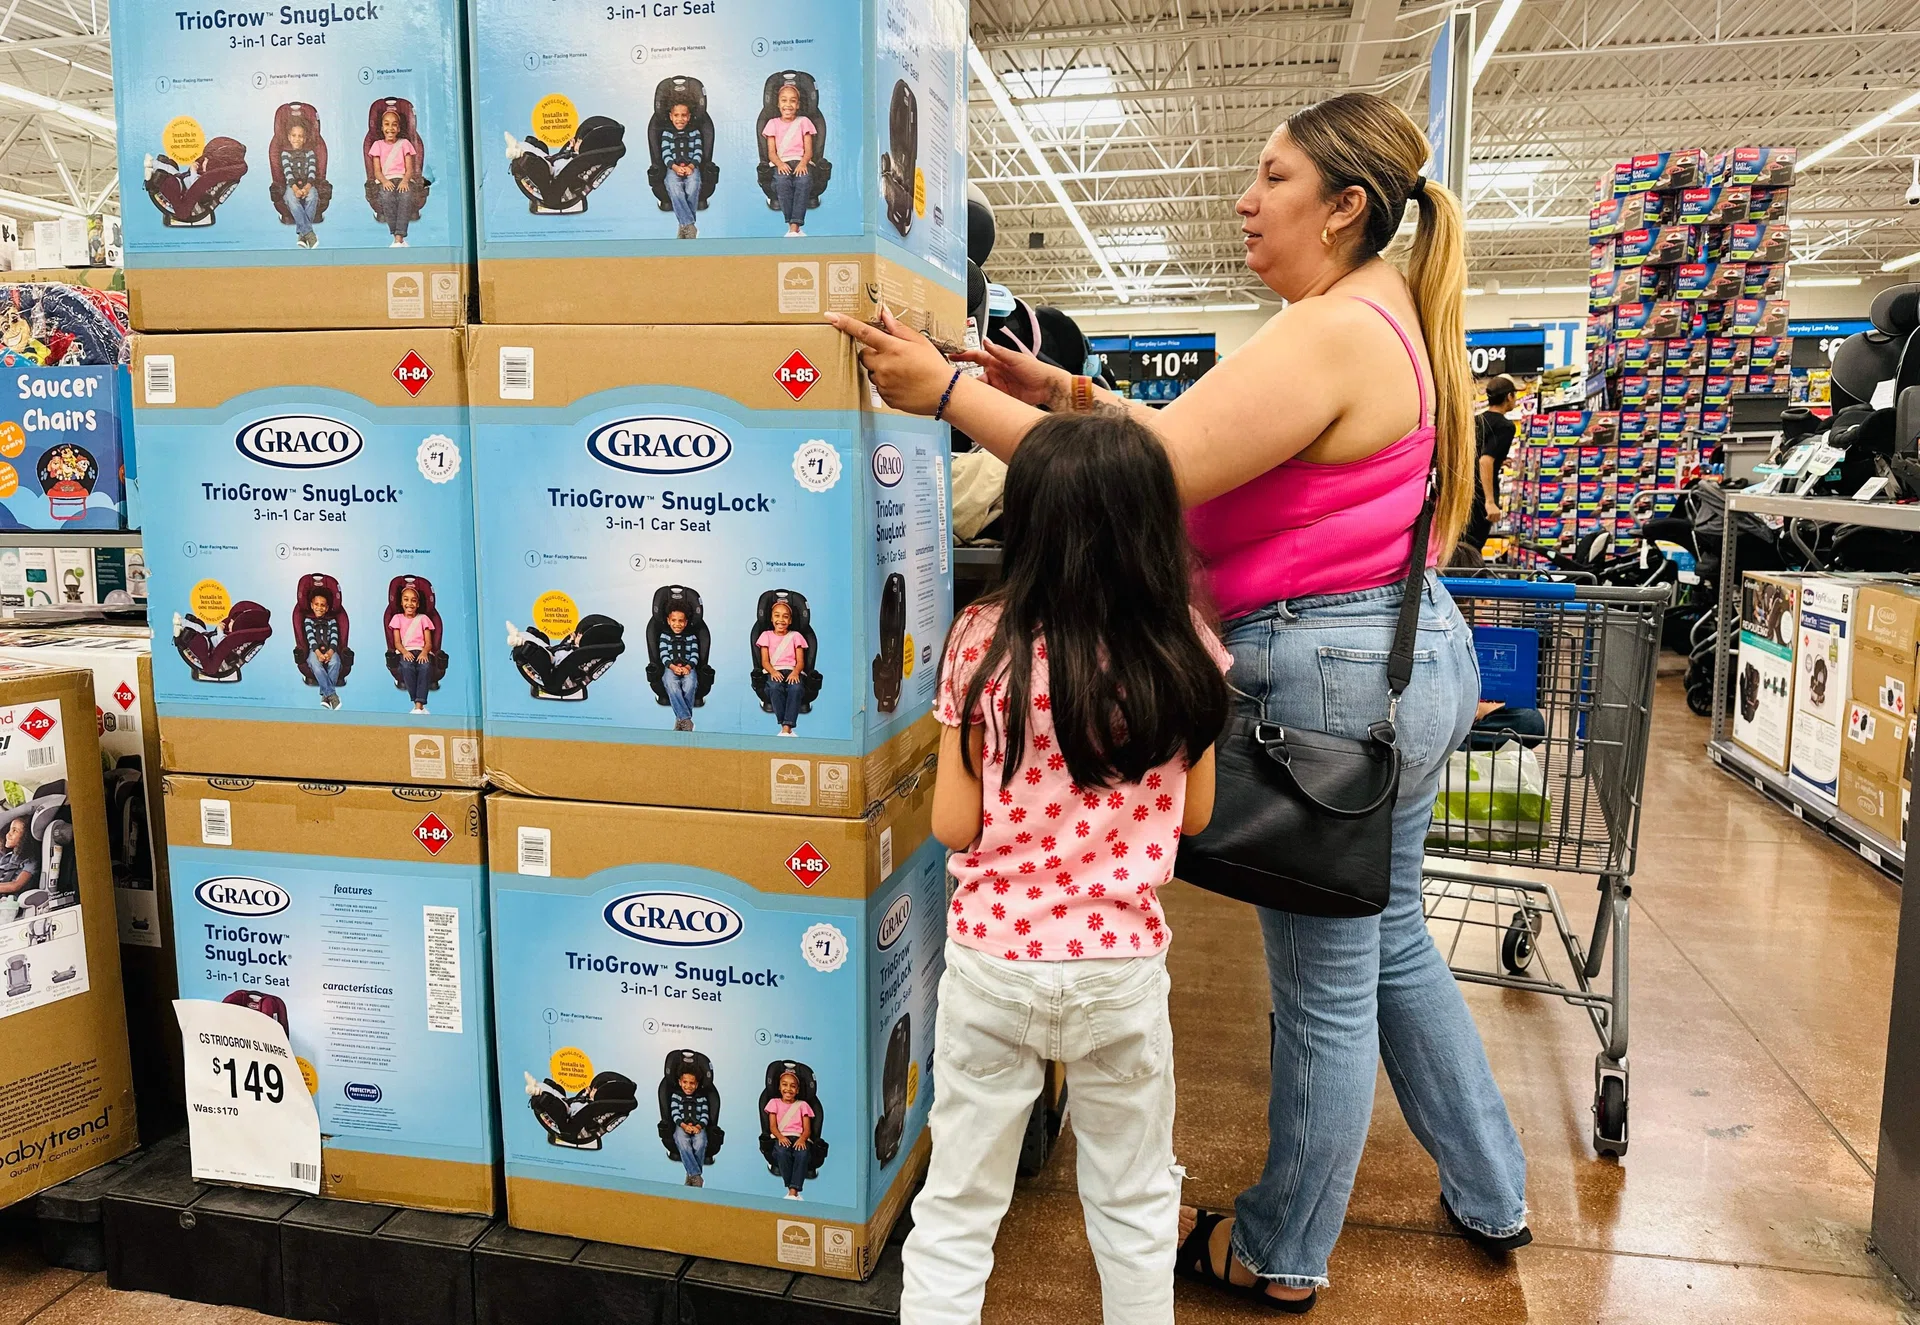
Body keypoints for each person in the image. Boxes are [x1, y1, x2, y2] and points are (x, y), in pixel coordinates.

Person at [832, 90, 1529, 1312]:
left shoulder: (1333, 329)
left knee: (1325, 982)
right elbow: (1199, 434)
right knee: (1390, 938)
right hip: (1401, 656)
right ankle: (1492, 1185)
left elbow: (1146, 478)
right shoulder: (1375, 313)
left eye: (1273, 178)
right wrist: (1066, 393)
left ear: (1344, 206)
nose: (1247, 201)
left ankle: (1282, 1249)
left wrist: (945, 395)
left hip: (1330, 673)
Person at [899, 412, 1230, 1325]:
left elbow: (953, 823)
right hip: (1119, 968)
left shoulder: (981, 639)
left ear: (1030, 521)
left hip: (993, 961)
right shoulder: (1185, 644)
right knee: (1134, 1201)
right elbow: (1197, 815)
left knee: (958, 1206)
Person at [1466, 375, 1519, 550]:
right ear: (1509, 396)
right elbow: (1485, 460)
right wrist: (1489, 501)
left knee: (1461, 545)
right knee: (1473, 547)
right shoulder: (1505, 426)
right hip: (1481, 495)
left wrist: (1499, 461)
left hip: (1465, 491)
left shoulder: (1477, 420)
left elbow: (1475, 455)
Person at [763, 84, 816, 237]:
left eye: (793, 101)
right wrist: (780, 164)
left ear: (798, 105)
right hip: (781, 162)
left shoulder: (804, 121)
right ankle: (792, 225)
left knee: (803, 181)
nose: (788, 105)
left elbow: (809, 151)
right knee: (782, 182)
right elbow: (771, 153)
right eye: (784, 100)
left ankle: (794, 227)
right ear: (778, 104)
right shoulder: (772, 123)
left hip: (800, 160)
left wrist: (803, 163)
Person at [367, 107, 418, 248]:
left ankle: (398, 238)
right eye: (387, 124)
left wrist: (405, 181)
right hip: (385, 179)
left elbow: (409, 169)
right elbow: (377, 171)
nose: (390, 128)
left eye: (394, 124)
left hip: (403, 178)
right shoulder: (377, 145)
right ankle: (397, 236)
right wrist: (384, 181)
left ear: (399, 128)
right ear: (382, 127)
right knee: (387, 196)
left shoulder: (405, 143)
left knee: (405, 196)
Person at [757, 601, 807, 735]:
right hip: (773, 670)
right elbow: (765, 661)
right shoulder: (765, 635)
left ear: (790, 620)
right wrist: (773, 671)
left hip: (792, 670)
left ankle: (786, 727)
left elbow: (800, 661)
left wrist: (795, 672)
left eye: (785, 617)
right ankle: (784, 724)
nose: (781, 620)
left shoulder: (796, 636)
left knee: (796, 688)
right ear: (771, 618)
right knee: (774, 687)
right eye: (777, 615)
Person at [764, 1069, 814, 1199]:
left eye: (793, 1086)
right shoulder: (774, 1103)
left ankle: (793, 1191)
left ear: (797, 1090)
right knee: (782, 1152)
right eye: (784, 1085)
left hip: (799, 1137)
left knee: (802, 1153)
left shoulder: (803, 1105)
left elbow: (807, 1129)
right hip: (781, 1136)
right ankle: (792, 1188)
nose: (788, 1089)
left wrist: (802, 1139)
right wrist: (780, 1137)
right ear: (779, 1087)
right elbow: (773, 1127)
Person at [389, 584, 435, 714]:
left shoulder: (423, 619)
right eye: (406, 599)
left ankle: (418, 706)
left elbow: (428, 643)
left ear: (418, 604)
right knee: (406, 665)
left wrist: (424, 652)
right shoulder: (397, 618)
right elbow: (397, 642)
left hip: (421, 650)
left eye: (413, 600)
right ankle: (417, 702)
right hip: (405, 650)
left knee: (425, 667)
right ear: (401, 602)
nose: (409, 603)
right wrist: (404, 652)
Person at [661, 101, 703, 239]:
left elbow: (698, 152)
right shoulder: (667, 133)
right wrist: (675, 167)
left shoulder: (695, 133)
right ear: (671, 116)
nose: (680, 119)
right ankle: (689, 226)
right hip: (673, 167)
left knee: (693, 185)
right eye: (676, 115)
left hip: (692, 166)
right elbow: (666, 154)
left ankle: (683, 225)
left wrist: (691, 166)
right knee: (674, 187)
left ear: (689, 117)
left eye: (684, 115)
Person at [281, 120, 322, 249]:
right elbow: (288, 173)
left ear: (304, 139)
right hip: (291, 186)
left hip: (307, 184)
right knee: (290, 198)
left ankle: (302, 235)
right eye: (294, 135)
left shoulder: (310, 153)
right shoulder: (285, 154)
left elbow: (312, 172)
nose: (297, 139)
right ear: (289, 137)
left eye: (300, 136)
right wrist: (295, 189)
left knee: (313, 196)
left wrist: (307, 188)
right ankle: (309, 233)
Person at [659, 607, 701, 730]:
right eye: (674, 620)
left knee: (690, 684)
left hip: (688, 666)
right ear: (668, 620)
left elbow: (695, 655)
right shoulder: (664, 636)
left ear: (686, 622)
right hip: (670, 667)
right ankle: (686, 720)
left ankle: (680, 720)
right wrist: (672, 667)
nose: (677, 624)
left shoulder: (691, 637)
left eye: (681, 621)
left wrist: (688, 667)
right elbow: (663, 654)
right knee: (671, 683)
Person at [302, 590, 344, 710]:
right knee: (314, 663)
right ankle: (331, 695)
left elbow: (334, 638)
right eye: (316, 604)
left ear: (327, 608)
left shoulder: (332, 621)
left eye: (322, 605)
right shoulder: (308, 621)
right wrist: (318, 653)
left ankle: (325, 697)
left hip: (330, 649)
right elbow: (311, 639)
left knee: (336, 662)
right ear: (311, 605)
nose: (319, 608)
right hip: (314, 650)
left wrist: (330, 652)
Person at [669, 1069, 711, 1186]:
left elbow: (705, 1115)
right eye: (685, 1082)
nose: (688, 1086)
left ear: (696, 1084)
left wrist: (698, 1126)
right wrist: (683, 1125)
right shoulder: (676, 1096)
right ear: (680, 1082)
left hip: (698, 1126)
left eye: (692, 1083)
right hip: (681, 1125)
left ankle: (691, 1175)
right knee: (682, 1141)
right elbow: (675, 1113)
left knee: (700, 1143)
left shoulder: (702, 1098)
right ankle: (696, 1176)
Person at [0, 817, 37, 896]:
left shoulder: (30, 861)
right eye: (10, 830)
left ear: (25, 837)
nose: (8, 834)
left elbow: (16, 886)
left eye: (15, 831)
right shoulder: (7, 857)